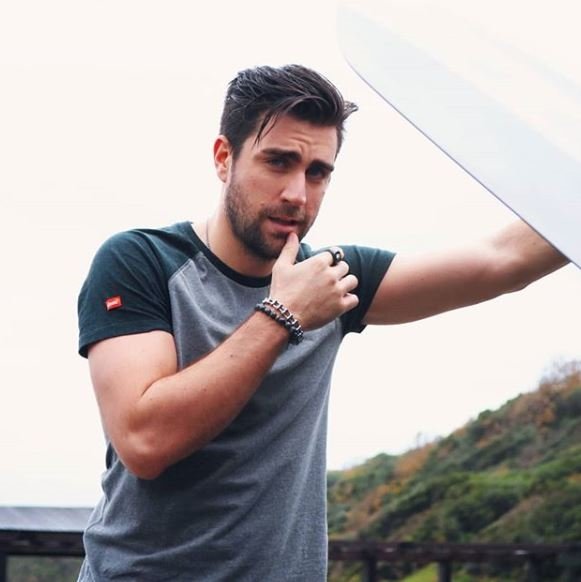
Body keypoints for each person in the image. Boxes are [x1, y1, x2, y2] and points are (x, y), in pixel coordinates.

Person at [77, 64, 568, 581]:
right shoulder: (142, 260)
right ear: (224, 158)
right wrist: (283, 315)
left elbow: (502, 260)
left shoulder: (332, 278)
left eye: (317, 172)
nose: (297, 193)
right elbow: (146, 442)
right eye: (278, 162)